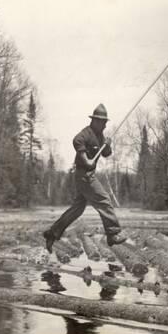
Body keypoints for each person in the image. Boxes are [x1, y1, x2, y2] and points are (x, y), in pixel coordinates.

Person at [43, 104, 126, 253]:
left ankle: (52, 233)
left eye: (106, 121)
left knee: (77, 210)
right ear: (95, 121)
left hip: (87, 176)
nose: (105, 124)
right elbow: (76, 140)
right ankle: (112, 234)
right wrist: (85, 158)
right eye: (102, 121)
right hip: (84, 176)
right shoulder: (86, 133)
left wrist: (107, 145)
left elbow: (106, 154)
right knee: (104, 200)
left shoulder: (100, 136)